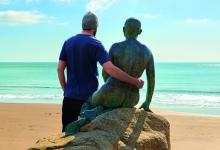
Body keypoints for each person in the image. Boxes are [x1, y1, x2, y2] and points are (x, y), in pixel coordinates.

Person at [57, 12, 144, 132]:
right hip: (89, 99)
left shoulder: (68, 42)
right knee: (85, 135)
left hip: (69, 99)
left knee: (66, 133)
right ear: (95, 27)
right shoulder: (95, 44)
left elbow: (60, 69)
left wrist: (65, 89)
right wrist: (134, 81)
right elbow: (110, 69)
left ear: (83, 25)